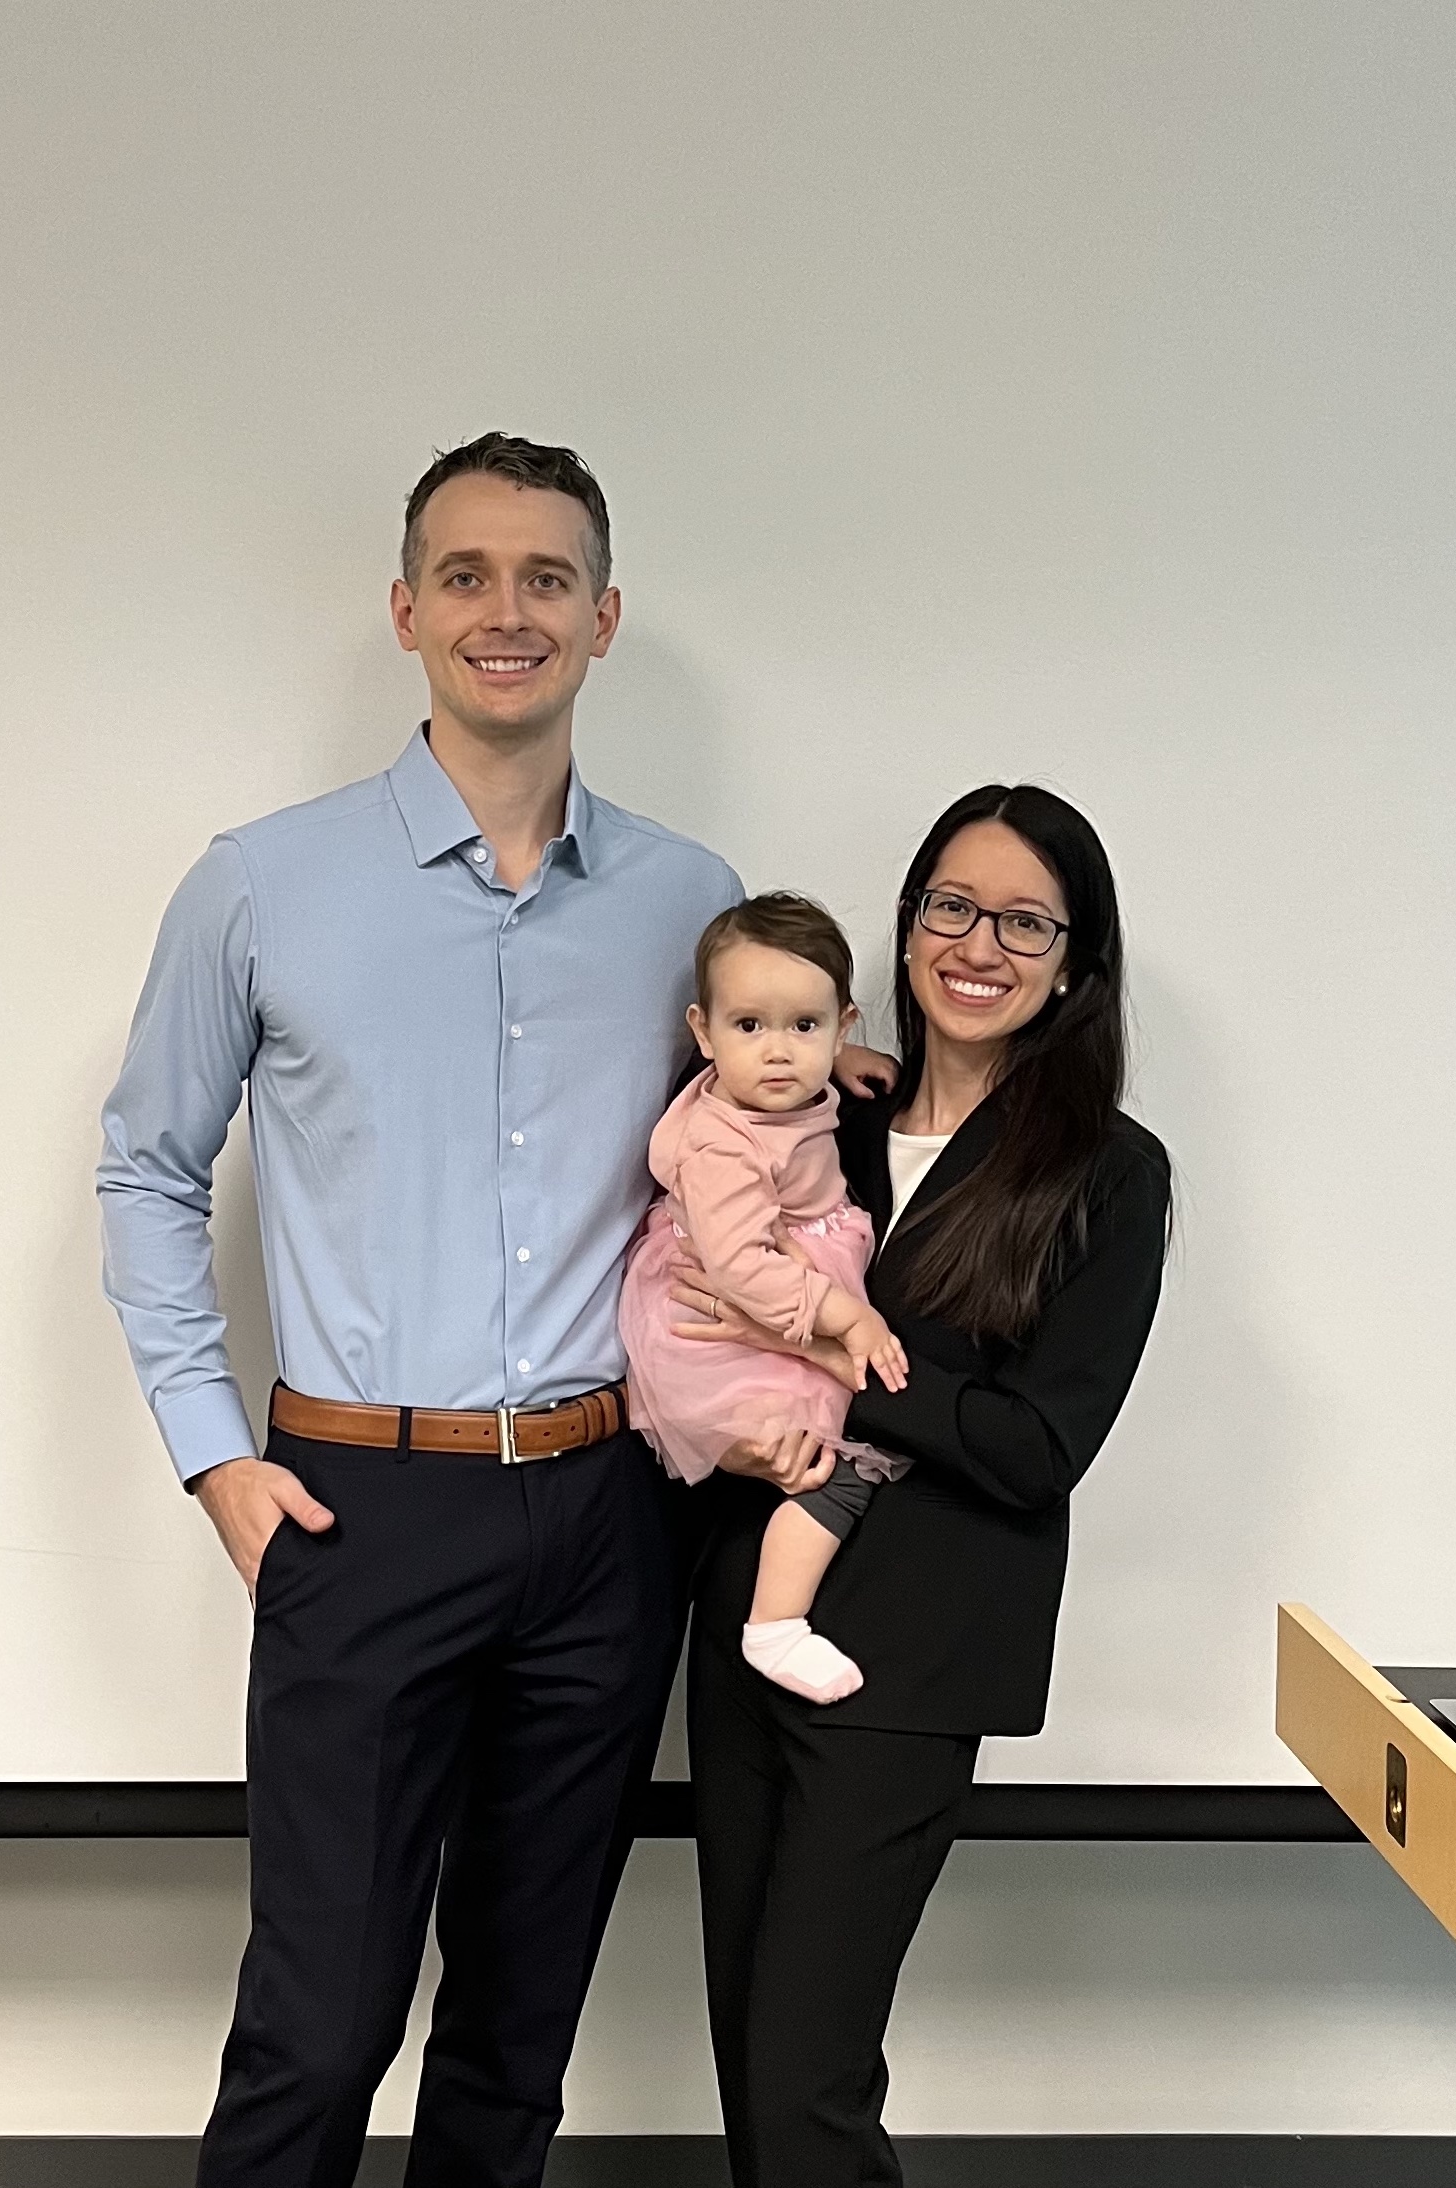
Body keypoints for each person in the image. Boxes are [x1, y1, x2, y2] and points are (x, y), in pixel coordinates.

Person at [96, 435, 892, 2188]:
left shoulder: (693, 901)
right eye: (464, 573)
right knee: (315, 2024)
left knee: (513, 2038)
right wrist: (212, 1457)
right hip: (357, 1502)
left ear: (601, 617)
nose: (503, 609)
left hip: (605, 1511)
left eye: (544, 577)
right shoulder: (260, 881)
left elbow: (771, 1150)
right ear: (404, 610)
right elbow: (147, 1166)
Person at [673, 784, 1171, 2188]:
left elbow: (1035, 1447)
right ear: (904, 932)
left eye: (1025, 920)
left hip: (915, 1659)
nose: (979, 942)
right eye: (951, 906)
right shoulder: (809, 1116)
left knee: (805, 2076)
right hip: (745, 1621)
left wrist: (848, 1357)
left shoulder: (1106, 1175)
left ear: (1074, 961)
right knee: (752, 2060)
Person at [618, 893, 911, 1707]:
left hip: (774, 1299)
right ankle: (774, 1623)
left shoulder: (779, 1092)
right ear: (702, 1033)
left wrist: (839, 1063)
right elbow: (743, 1268)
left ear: (842, 1025)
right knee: (837, 1466)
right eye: (749, 1027)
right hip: (726, 1329)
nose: (777, 1053)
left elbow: (800, 1060)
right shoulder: (720, 1143)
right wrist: (844, 1315)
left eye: (803, 1027)